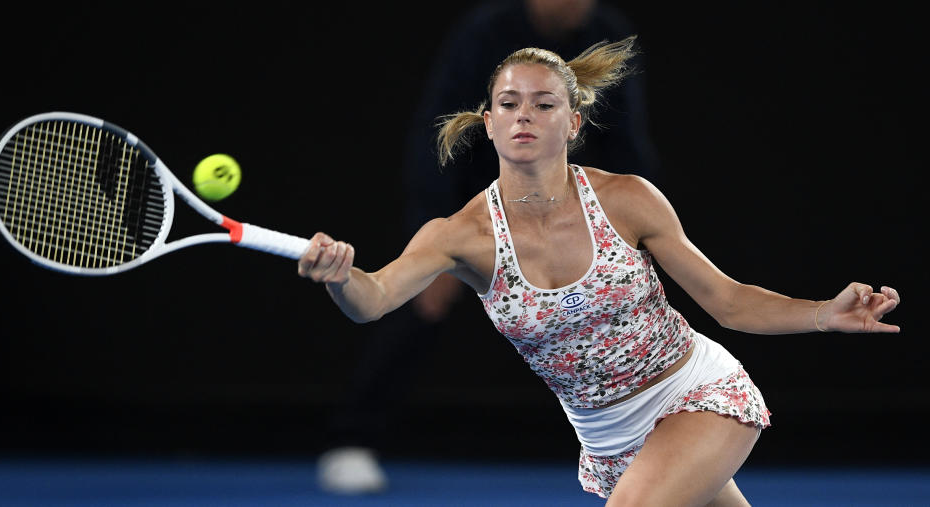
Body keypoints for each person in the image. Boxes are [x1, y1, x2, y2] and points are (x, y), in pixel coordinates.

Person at [298, 37, 901, 504]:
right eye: (508, 104)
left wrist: (825, 313)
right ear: (489, 122)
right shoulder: (461, 235)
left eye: (543, 103)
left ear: (575, 122)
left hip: (696, 393)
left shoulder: (627, 199)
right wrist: (339, 276)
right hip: (609, 441)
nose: (523, 116)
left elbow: (729, 302)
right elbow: (373, 299)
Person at [317, 0, 660, 494]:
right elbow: (436, 133)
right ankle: (351, 441)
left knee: (628, 316)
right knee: (418, 309)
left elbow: (627, 139)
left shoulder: (609, 32)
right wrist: (436, 229)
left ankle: (652, 440)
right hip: (474, 198)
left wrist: (635, 227)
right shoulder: (485, 31)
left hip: (569, 200)